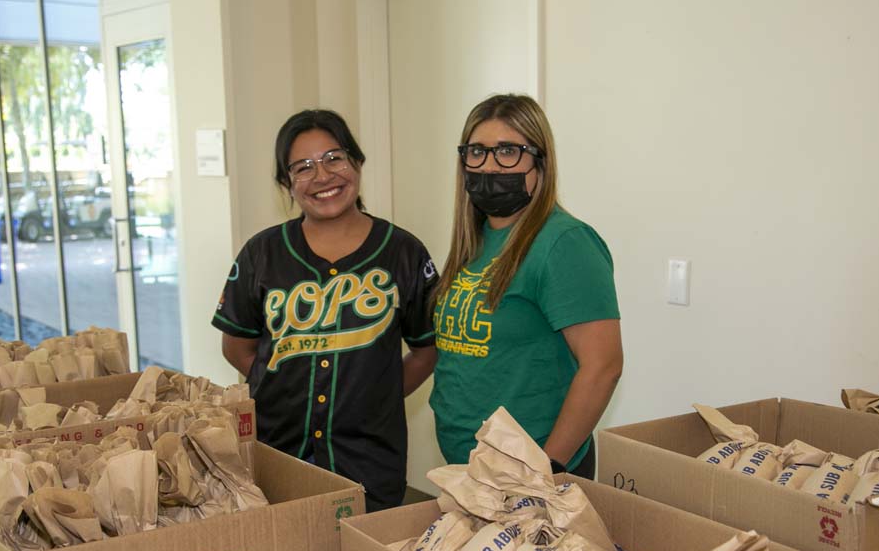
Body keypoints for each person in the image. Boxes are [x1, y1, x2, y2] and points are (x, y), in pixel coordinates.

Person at [214, 109, 438, 512]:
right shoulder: (261, 253)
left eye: (334, 158)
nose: (322, 176)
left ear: (357, 162)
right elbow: (236, 345)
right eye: (303, 167)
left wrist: (377, 393)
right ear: (287, 183)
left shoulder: (403, 252)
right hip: (278, 453)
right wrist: (280, 382)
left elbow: (426, 350)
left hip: (370, 458)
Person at [430, 94, 622, 477]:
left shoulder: (563, 242)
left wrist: (545, 470)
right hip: (470, 472)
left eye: (508, 152)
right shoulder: (475, 240)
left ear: (540, 162)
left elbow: (603, 366)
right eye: (477, 152)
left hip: (533, 475)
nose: (489, 166)